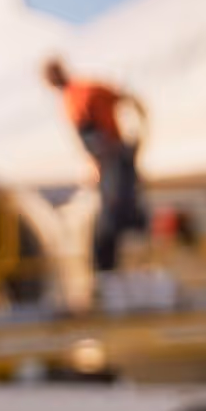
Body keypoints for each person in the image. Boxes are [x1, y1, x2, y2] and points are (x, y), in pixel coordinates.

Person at [43, 57, 150, 275]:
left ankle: (108, 270)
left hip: (113, 156)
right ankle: (116, 267)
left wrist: (138, 134)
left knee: (113, 212)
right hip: (111, 156)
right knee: (120, 209)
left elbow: (92, 132)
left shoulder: (80, 93)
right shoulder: (79, 93)